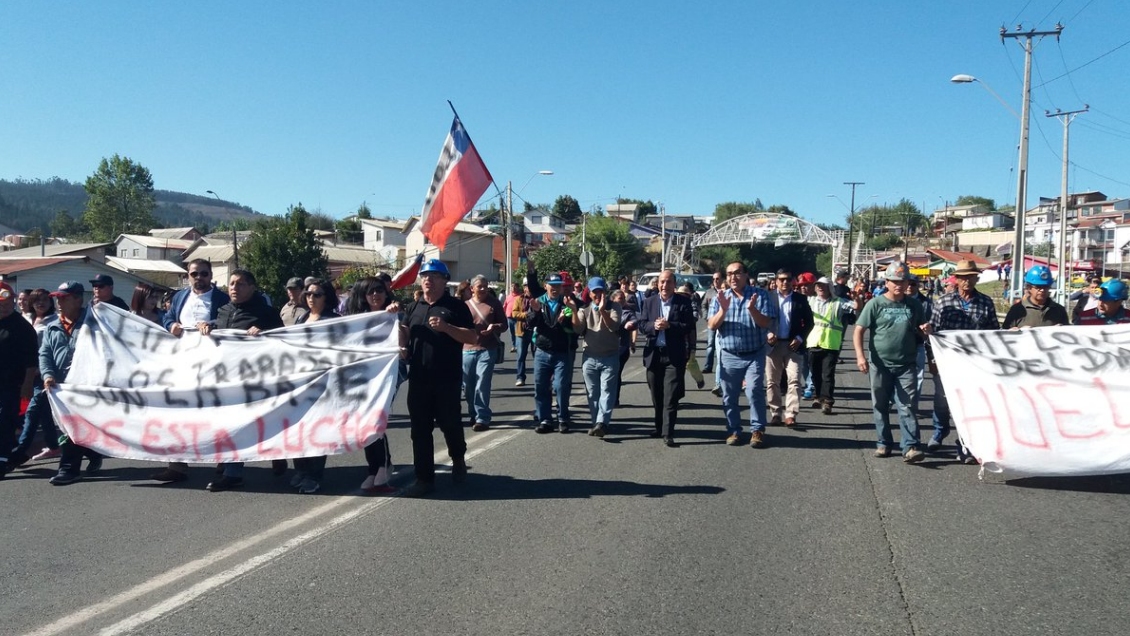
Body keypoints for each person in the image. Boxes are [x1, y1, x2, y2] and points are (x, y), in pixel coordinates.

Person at [401, 259, 477, 498]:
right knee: (419, 430)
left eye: (434, 276)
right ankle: (424, 479)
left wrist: (446, 328)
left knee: (450, 424)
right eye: (425, 275)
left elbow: (472, 337)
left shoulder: (456, 307)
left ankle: (458, 458)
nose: (428, 280)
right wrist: (399, 337)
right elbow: (405, 335)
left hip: (447, 379)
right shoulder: (414, 307)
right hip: (419, 379)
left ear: (445, 280)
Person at [205, 269, 285, 492]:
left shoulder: (267, 312)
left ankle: (276, 452)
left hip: (258, 379)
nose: (234, 288)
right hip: (227, 379)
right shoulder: (223, 311)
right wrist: (206, 329)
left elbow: (284, 340)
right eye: (231, 283)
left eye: (240, 284)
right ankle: (233, 472)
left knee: (263, 421)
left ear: (252, 287)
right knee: (233, 424)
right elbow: (218, 337)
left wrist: (266, 332)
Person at [151, 259, 232, 484]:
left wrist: (212, 324)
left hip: (213, 367)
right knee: (178, 415)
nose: (199, 278)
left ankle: (224, 460)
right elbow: (167, 317)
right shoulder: (179, 297)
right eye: (195, 274)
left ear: (211, 275)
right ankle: (177, 466)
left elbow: (231, 320)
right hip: (183, 366)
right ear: (188, 276)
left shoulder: (222, 298)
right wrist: (171, 325)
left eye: (204, 274)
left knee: (216, 415)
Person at [852, 262, 928, 464]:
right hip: (880, 364)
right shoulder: (875, 304)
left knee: (907, 405)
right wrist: (860, 356)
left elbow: (921, 332)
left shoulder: (914, 305)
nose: (899, 285)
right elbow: (859, 330)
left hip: (906, 364)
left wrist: (926, 330)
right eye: (894, 281)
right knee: (880, 405)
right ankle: (883, 442)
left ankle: (911, 446)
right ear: (887, 282)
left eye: (902, 281)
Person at [928, 259, 999, 462]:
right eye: (963, 277)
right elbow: (933, 331)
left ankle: (965, 445)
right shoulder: (943, 302)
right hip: (947, 360)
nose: (967, 281)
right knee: (942, 400)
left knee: (968, 405)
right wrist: (932, 358)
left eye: (971, 277)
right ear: (956, 279)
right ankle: (939, 431)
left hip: (974, 362)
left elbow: (993, 332)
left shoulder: (985, 302)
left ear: (976, 278)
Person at [41, 282, 105, 484]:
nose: (58, 302)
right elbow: (45, 354)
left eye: (64, 298)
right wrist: (47, 374)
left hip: (86, 386)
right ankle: (92, 453)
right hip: (60, 388)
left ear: (78, 299)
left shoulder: (94, 323)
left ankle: (68, 469)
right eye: (57, 298)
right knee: (68, 426)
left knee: (75, 426)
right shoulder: (52, 326)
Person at [709, 262, 777, 447]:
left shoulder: (760, 295)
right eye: (729, 274)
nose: (733, 277)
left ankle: (757, 430)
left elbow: (765, 323)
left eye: (737, 273)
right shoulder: (720, 297)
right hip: (729, 355)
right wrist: (723, 309)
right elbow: (712, 325)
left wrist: (752, 309)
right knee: (729, 396)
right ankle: (734, 430)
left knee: (754, 390)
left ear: (746, 275)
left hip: (753, 353)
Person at [346, 276, 400, 493]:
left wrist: (396, 316)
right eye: (370, 292)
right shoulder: (354, 320)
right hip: (361, 378)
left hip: (385, 376)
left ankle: (384, 466)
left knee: (377, 421)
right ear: (363, 296)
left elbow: (403, 339)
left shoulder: (393, 314)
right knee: (364, 423)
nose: (376, 295)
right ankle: (373, 468)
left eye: (379, 290)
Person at [638, 270, 696, 447]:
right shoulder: (649, 302)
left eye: (668, 282)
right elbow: (642, 324)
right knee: (657, 395)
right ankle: (658, 427)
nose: (664, 285)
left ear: (674, 284)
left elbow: (688, 326)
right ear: (658, 284)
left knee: (670, 397)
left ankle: (668, 432)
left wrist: (669, 325)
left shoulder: (683, 302)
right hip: (654, 355)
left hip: (674, 356)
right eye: (662, 282)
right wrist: (653, 326)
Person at [9, 289, 60, 467]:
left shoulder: (54, 321)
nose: (41, 303)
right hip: (23, 373)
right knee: (43, 414)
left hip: (43, 374)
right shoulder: (25, 319)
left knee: (31, 411)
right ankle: (54, 446)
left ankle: (20, 450)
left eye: (45, 300)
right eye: (37, 300)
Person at [527, 273, 578, 433]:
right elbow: (530, 324)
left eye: (558, 285)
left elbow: (573, 328)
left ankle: (563, 418)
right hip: (542, 351)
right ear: (546, 286)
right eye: (552, 285)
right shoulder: (538, 302)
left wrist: (566, 318)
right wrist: (534, 312)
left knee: (561, 386)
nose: (555, 288)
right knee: (541, 387)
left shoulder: (567, 303)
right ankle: (545, 420)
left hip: (561, 352)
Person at [573, 277, 622, 438]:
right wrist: (573, 311)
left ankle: (602, 422)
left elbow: (614, 326)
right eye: (595, 291)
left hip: (609, 356)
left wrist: (602, 311)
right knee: (593, 393)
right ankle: (597, 423)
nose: (598, 294)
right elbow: (578, 330)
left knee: (607, 390)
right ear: (590, 292)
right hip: (590, 357)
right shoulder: (584, 310)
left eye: (600, 291)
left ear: (605, 292)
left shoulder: (614, 307)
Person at [765, 269, 813, 427]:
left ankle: (791, 414)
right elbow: (759, 320)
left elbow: (809, 322)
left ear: (793, 281)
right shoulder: (768, 297)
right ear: (776, 281)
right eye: (781, 279)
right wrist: (767, 333)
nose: (785, 283)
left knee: (794, 380)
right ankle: (776, 412)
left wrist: (800, 337)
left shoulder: (800, 299)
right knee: (773, 381)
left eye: (788, 279)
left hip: (793, 346)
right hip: (773, 345)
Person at [806, 276, 860, 415]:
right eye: (818, 285)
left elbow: (856, 307)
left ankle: (828, 401)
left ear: (830, 287)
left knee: (828, 374)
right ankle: (818, 396)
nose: (819, 287)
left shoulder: (838, 302)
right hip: (813, 342)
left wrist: (857, 298)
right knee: (815, 373)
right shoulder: (810, 301)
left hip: (831, 343)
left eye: (823, 285)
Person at [0, 282, 38, 478]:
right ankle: (16, 451)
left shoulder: (22, 327)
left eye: (7, 302)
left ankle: (3, 459)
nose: (4, 306)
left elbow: (32, 361)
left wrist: (27, 384)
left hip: (12, 384)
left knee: (4, 421)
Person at [463, 275, 507, 432]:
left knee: (482, 383)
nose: (483, 289)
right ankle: (473, 413)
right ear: (472, 289)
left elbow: (504, 325)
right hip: (467, 350)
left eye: (485, 286)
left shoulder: (494, 303)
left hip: (487, 349)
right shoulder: (465, 305)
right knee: (468, 386)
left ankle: (482, 417)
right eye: (480, 286)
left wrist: (495, 326)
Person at [1002, 266, 1069, 329]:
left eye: (1046, 286)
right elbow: (1003, 335)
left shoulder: (1059, 310)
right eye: (1038, 287)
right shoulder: (1017, 311)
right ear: (1029, 287)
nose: (1042, 290)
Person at [609, 289, 637, 408]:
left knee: (616, 372)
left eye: (623, 298)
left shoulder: (627, 312)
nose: (623, 301)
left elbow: (635, 320)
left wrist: (631, 324)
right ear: (613, 299)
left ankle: (615, 399)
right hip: (607, 346)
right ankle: (606, 397)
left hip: (622, 346)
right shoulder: (607, 310)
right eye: (620, 298)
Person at [703, 271, 725, 397]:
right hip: (713, 324)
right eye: (714, 279)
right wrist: (707, 317)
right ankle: (708, 366)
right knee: (710, 345)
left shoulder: (727, 292)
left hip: (725, 328)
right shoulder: (710, 293)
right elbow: (704, 306)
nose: (716, 281)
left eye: (718, 278)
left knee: (722, 356)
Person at [511, 284, 533, 387]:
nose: (528, 289)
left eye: (530, 286)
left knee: (537, 356)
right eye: (526, 287)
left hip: (535, 332)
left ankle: (540, 377)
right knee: (520, 356)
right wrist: (526, 315)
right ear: (524, 288)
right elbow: (514, 313)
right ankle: (520, 377)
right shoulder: (519, 299)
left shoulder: (538, 298)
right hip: (522, 331)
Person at [503, 283, 522, 353]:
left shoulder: (520, 296)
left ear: (518, 288)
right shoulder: (508, 297)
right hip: (509, 317)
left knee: (517, 332)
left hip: (517, 318)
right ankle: (514, 345)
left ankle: (518, 346)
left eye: (515, 287)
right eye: (512, 287)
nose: (513, 288)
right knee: (511, 333)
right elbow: (505, 306)